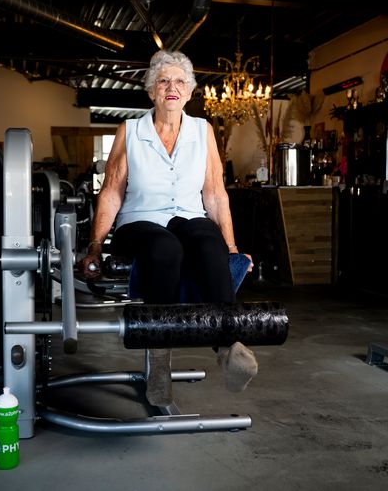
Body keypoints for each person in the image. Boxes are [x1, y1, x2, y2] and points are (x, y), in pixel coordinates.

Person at [79, 49, 258, 406]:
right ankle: (159, 360)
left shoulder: (202, 130)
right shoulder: (130, 130)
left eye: (180, 81)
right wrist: (96, 246)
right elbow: (112, 191)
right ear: (151, 91)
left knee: (210, 246)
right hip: (139, 221)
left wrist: (233, 249)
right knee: (165, 247)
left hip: (189, 217)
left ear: (190, 92)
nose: (171, 87)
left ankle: (227, 348)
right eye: (163, 81)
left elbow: (215, 193)